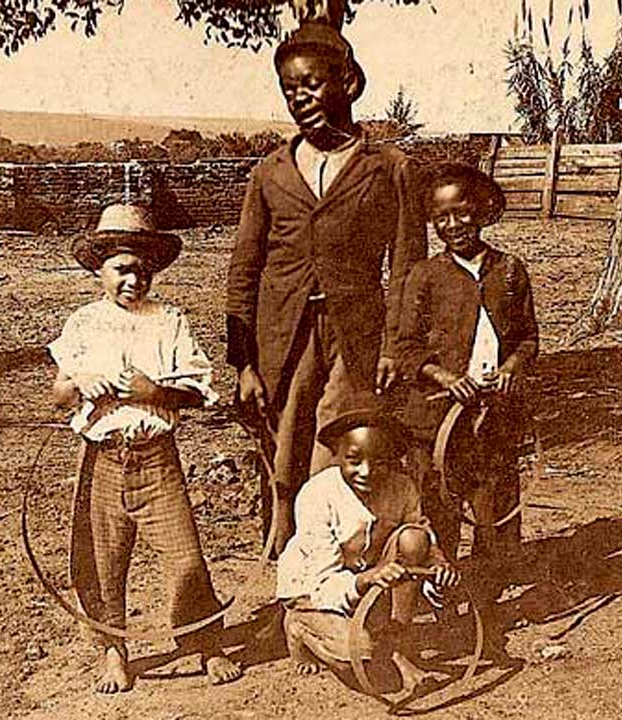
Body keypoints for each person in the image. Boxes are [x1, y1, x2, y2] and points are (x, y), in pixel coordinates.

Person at [225, 21, 427, 555]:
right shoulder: (270, 173)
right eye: (289, 88)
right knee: (285, 438)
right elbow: (244, 269)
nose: (300, 98)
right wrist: (243, 362)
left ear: (349, 83)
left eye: (312, 84)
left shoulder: (389, 168)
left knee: (340, 435)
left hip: (356, 333)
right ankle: (288, 552)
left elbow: (407, 265)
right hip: (283, 334)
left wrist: (395, 345)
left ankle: (338, 558)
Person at [48, 203, 242, 693]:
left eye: (142, 270)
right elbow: (59, 395)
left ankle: (204, 642)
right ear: (100, 270)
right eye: (121, 270)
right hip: (105, 459)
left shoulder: (168, 321)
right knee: (103, 562)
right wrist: (82, 383)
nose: (133, 280)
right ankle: (114, 650)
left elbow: (197, 392)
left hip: (157, 458)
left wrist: (152, 391)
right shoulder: (84, 323)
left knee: (186, 559)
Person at [396, 163, 539, 660]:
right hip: (437, 422)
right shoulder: (424, 276)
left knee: (493, 510)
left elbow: (527, 337)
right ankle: (442, 609)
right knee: (440, 510)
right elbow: (406, 348)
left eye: (461, 212)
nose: (453, 224)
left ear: (481, 211)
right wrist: (443, 377)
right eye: (441, 217)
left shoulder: (510, 270)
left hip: (492, 418)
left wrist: (513, 367)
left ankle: (485, 605)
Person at [276, 406, 460, 693]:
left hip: (368, 580)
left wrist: (438, 564)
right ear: (336, 455)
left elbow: (421, 532)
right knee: (363, 658)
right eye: (354, 460)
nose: (367, 472)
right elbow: (323, 584)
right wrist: (367, 578)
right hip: (315, 590)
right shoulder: (317, 495)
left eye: (381, 462)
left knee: (414, 539)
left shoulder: (402, 487)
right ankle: (299, 626)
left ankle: (396, 643)